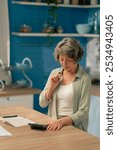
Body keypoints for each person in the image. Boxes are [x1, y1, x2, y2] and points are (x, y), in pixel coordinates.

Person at [39, 37, 91, 131]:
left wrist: (61, 122)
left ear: (76, 58)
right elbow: (42, 103)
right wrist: (51, 87)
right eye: (61, 59)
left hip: (73, 127)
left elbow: (83, 112)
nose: (64, 64)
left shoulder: (84, 79)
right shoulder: (54, 73)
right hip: (53, 124)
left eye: (69, 60)